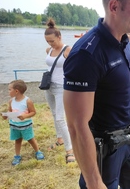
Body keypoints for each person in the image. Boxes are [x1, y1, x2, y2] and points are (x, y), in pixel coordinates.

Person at [63, 0, 130, 189]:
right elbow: (76, 125)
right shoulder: (87, 54)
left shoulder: (126, 43)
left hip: (128, 140)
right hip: (102, 150)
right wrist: (94, 182)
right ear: (114, 6)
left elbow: (129, 84)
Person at [43, 18, 75, 163]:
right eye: (47, 41)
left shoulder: (68, 50)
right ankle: (60, 139)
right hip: (48, 87)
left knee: (60, 118)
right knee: (54, 113)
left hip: (61, 87)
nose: (50, 44)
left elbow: (76, 67)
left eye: (52, 41)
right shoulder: (48, 50)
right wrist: (50, 47)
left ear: (59, 37)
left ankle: (70, 150)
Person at [2, 80, 44, 166]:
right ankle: (17, 156)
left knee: (30, 139)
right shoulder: (11, 101)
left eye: (9, 89)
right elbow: (10, 111)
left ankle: (37, 151)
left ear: (16, 91)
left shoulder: (27, 101)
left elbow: (33, 112)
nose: (8, 91)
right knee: (17, 140)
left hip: (26, 125)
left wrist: (25, 116)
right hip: (15, 125)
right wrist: (6, 115)